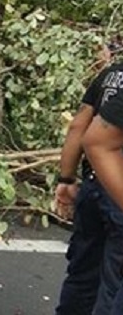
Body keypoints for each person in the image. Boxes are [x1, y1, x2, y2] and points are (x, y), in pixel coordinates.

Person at [54, 56, 123, 314]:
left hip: (94, 184)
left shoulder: (109, 75)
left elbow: (78, 127)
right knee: (114, 285)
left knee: (82, 274)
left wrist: (66, 179)